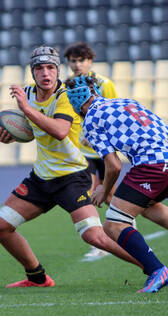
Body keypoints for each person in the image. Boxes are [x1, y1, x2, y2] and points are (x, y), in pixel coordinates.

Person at [0, 45, 142, 289]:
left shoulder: (66, 95)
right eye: (39, 68)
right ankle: (38, 278)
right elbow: (32, 127)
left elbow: (60, 131)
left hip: (73, 178)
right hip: (41, 178)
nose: (45, 73)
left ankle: (154, 268)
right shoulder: (28, 94)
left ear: (57, 69)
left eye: (50, 67)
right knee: (1, 227)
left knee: (94, 236)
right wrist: (13, 133)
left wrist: (26, 110)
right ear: (32, 72)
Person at [65, 74, 168, 293]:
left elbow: (113, 166)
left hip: (152, 165)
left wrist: (103, 190)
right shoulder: (126, 102)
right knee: (148, 207)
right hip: (163, 158)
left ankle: (157, 270)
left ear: (75, 101)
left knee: (113, 224)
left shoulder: (91, 119)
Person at [64, 42, 122, 258]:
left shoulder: (104, 84)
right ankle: (99, 245)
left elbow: (115, 112)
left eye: (82, 60)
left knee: (110, 196)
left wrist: (100, 134)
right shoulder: (67, 87)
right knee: (87, 192)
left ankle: (126, 231)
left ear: (90, 61)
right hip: (83, 152)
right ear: (68, 63)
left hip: (104, 150)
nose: (77, 64)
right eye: (73, 61)